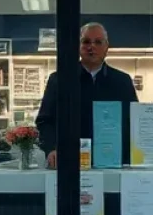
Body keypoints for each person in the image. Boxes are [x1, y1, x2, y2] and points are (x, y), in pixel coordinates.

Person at [36, 22, 139, 169]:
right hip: (68, 161)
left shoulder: (122, 81)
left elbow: (133, 122)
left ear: (106, 46)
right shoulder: (59, 80)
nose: (92, 47)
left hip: (114, 161)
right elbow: (45, 120)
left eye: (98, 42)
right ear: (78, 46)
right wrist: (51, 148)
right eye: (86, 42)